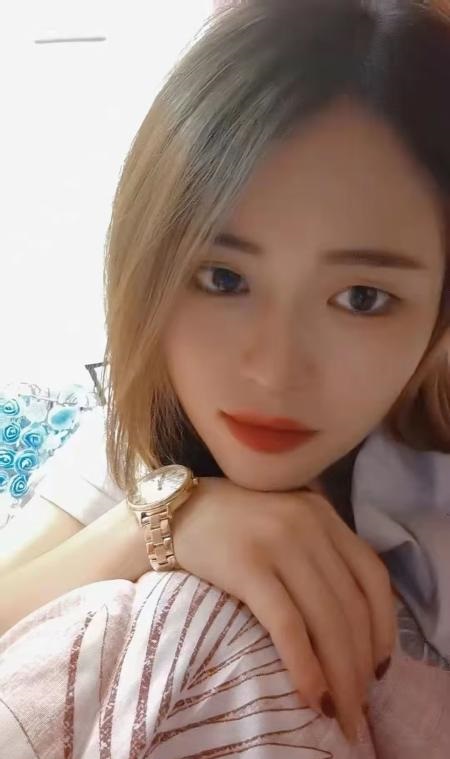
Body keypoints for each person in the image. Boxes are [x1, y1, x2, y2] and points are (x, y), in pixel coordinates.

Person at [1, 0, 449, 751]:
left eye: (362, 298)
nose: (274, 371)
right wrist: (166, 523)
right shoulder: (138, 433)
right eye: (223, 278)